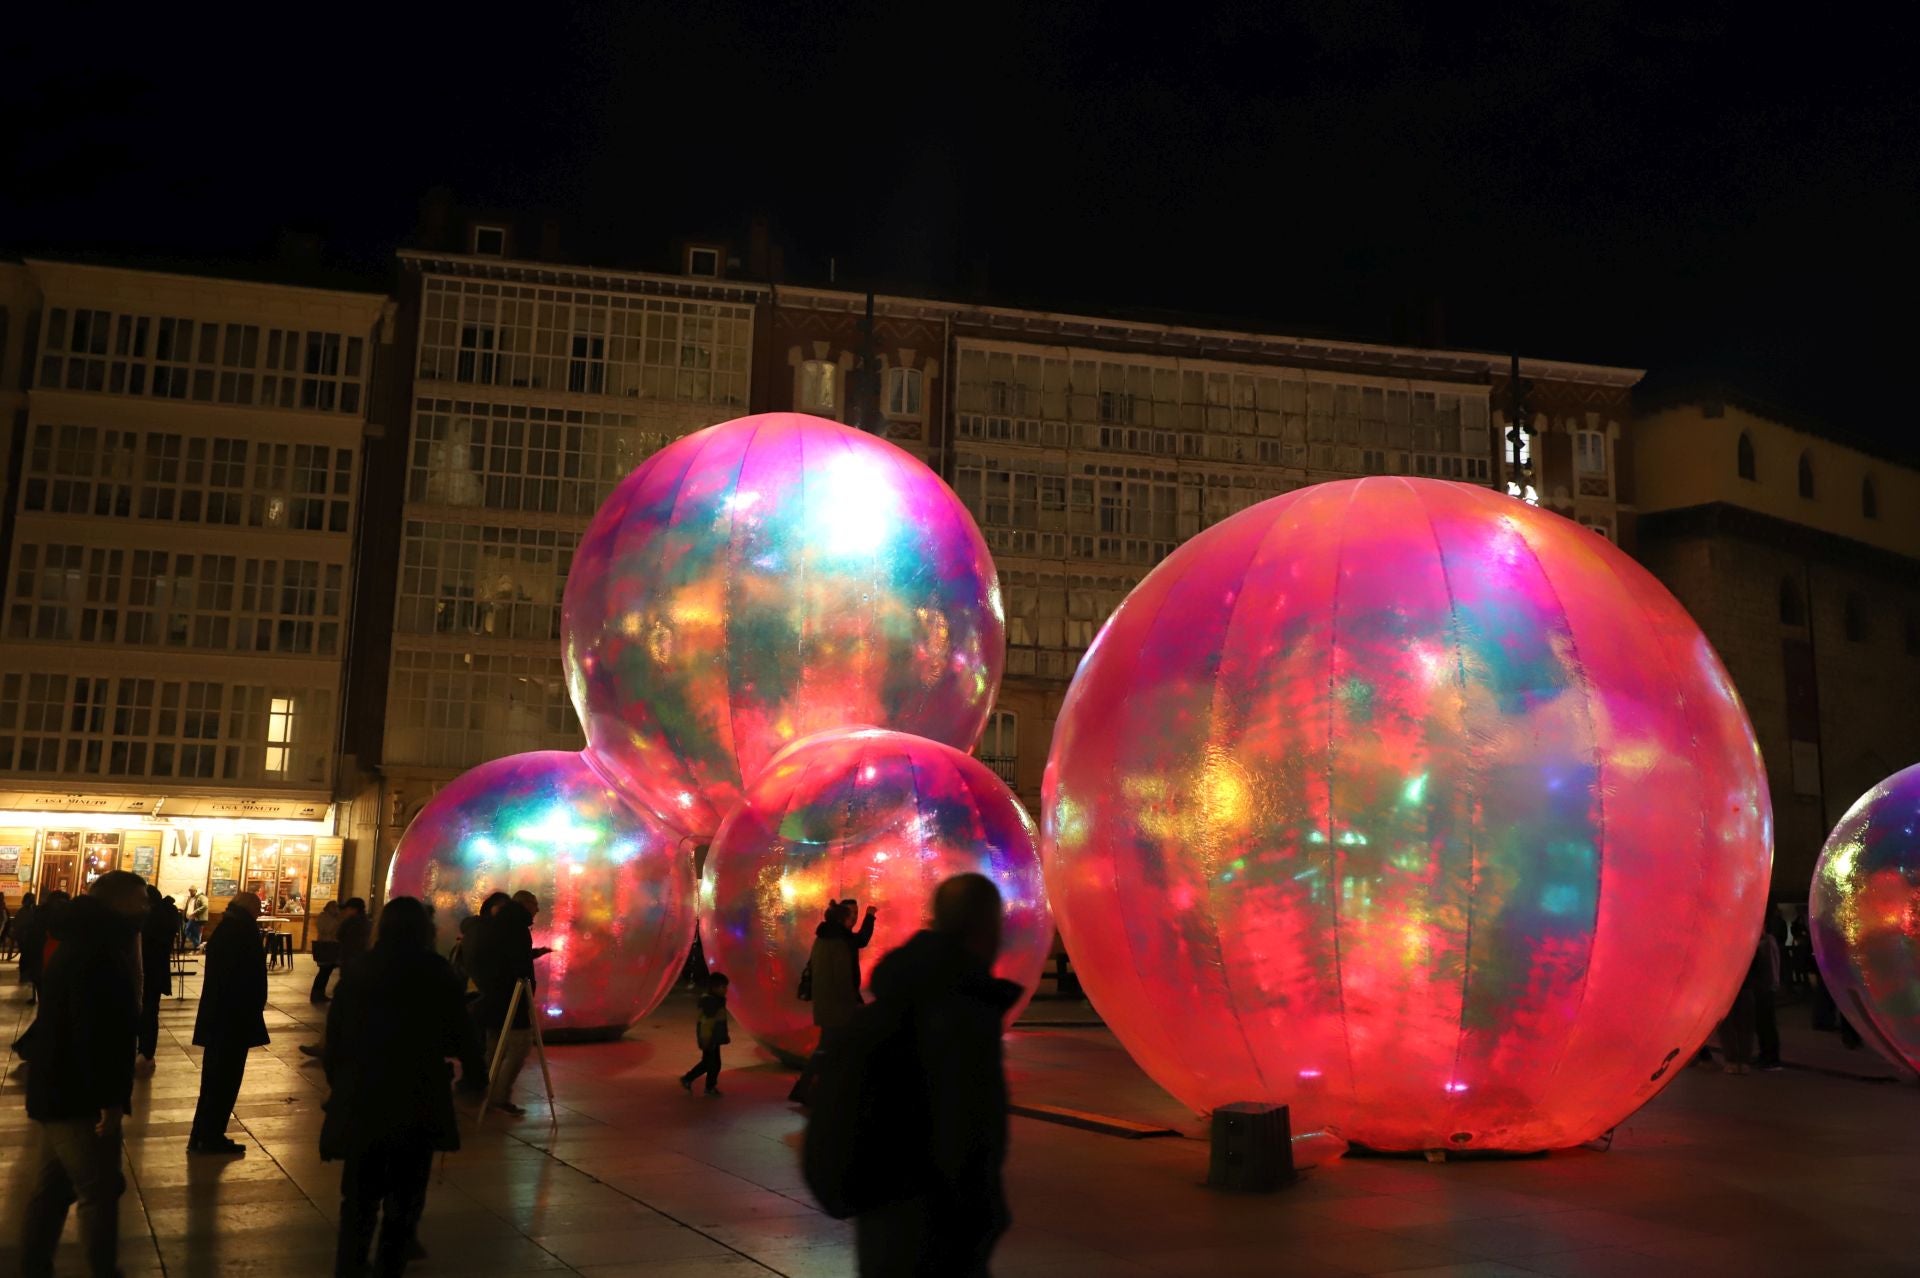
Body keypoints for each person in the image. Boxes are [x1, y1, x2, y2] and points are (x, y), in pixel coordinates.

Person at [842, 874, 1019, 1276]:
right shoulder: (964, 1016)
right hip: (941, 1240)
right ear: (982, 927)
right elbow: (967, 1135)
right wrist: (983, 1217)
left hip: (882, 1234)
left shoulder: (883, 1011)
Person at [321, 896, 484, 1277]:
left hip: (363, 1095)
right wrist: (475, 1076)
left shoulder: (358, 970)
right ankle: (389, 1267)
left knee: (358, 1197)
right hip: (418, 1094)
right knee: (404, 1196)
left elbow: (337, 1038)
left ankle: (349, 1266)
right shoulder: (438, 973)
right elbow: (460, 1036)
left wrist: (339, 1082)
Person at [19, 870, 148, 1278]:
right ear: (120, 902)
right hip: (78, 1095)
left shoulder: (79, 940)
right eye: (141, 900)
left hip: (57, 1086)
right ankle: (103, 1271)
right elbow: (97, 1032)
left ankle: (34, 1266)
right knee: (100, 1190)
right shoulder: (100, 951)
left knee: (52, 1190)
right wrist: (109, 1099)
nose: (147, 908)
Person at [190, 890, 269, 1154]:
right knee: (223, 1079)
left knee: (214, 1079)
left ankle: (203, 1133)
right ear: (249, 908)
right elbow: (245, 977)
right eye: (257, 907)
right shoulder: (241, 932)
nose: (259, 912)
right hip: (233, 1019)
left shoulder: (227, 928)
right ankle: (210, 1135)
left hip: (222, 1018)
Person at [790, 900, 878, 1105]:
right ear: (842, 919)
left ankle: (813, 1087)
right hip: (838, 1006)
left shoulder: (824, 938)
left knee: (827, 1047)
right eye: (850, 915)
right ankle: (810, 1088)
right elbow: (842, 978)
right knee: (829, 1049)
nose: (853, 919)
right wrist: (854, 1003)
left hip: (827, 1003)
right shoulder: (839, 942)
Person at [470, 891, 546, 1115]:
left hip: (495, 996)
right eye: (535, 903)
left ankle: (486, 1090)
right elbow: (517, 963)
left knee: (495, 1045)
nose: (537, 909)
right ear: (524, 904)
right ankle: (499, 1095)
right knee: (519, 1045)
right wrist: (525, 988)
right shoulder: (517, 928)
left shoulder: (497, 925)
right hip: (512, 998)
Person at [136, 885, 180, 1070]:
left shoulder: (152, 919)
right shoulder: (164, 915)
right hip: (155, 971)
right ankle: (145, 1052)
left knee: (146, 1011)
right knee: (149, 1011)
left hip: (147, 971)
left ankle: (144, 1052)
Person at [680, 972, 731, 1096]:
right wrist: (706, 1039)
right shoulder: (712, 1003)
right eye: (723, 987)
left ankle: (698, 1082)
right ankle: (699, 1082)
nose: (726, 990)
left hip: (713, 1038)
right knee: (710, 1063)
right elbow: (706, 1023)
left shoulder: (716, 1001)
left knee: (711, 1063)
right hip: (710, 1039)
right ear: (714, 988)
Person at [1753, 929, 1783, 1071]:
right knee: (1762, 1024)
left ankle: (1771, 1058)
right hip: (1762, 987)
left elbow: (1771, 966)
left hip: (1764, 988)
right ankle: (1765, 1054)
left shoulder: (1766, 943)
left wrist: (1772, 984)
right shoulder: (1764, 943)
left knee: (1766, 1024)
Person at [310, 900, 343, 1003]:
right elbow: (325, 930)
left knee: (326, 972)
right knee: (324, 971)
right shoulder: (323, 917)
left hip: (333, 945)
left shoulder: (336, 918)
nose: (335, 909)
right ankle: (316, 994)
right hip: (325, 946)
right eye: (333, 907)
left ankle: (320, 993)